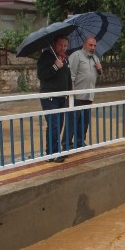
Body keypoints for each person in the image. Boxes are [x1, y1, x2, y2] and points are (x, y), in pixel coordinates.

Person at [63, 37, 102, 149]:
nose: (93, 48)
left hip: (89, 95)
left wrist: (100, 70)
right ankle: (66, 144)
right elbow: (71, 75)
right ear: (84, 45)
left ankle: (79, 142)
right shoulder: (76, 56)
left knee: (84, 122)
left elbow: (95, 75)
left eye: (94, 46)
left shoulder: (95, 58)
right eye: (90, 45)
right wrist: (72, 93)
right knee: (72, 121)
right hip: (76, 95)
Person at [37, 35, 72, 163]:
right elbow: (41, 75)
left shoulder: (65, 59)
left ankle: (52, 152)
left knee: (59, 125)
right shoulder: (46, 56)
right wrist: (55, 66)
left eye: (65, 46)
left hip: (62, 97)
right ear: (54, 44)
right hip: (50, 97)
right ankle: (52, 153)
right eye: (60, 45)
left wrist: (69, 95)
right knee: (54, 125)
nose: (63, 48)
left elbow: (67, 78)